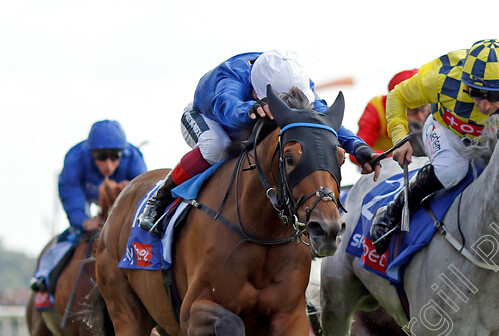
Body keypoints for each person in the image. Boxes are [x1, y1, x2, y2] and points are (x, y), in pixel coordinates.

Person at [138, 49, 380, 236]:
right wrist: (251, 109)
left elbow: (322, 122)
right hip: (208, 117)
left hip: (250, 109)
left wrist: (358, 147)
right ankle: (160, 198)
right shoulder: (228, 80)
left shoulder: (299, 83)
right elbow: (229, 110)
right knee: (217, 146)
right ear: (255, 91)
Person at [368, 39, 499, 254]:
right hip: (447, 130)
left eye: (495, 95)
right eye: (475, 92)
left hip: (494, 136)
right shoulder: (441, 76)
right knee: (451, 172)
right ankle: (393, 212)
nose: (485, 105)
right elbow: (397, 96)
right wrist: (400, 139)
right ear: (464, 81)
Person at [30, 120, 147, 291]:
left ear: (122, 153)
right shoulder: (75, 159)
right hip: (84, 197)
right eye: (101, 157)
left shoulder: (133, 157)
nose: (108, 164)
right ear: (91, 153)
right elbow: (71, 197)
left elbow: (144, 197)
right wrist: (84, 222)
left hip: (119, 198)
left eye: (114, 156)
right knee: (75, 234)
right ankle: (44, 275)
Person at [354, 69, 430, 156]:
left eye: (424, 107)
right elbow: (356, 152)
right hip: (386, 166)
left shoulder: (436, 102)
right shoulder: (377, 110)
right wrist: (390, 158)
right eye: (412, 110)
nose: (420, 117)